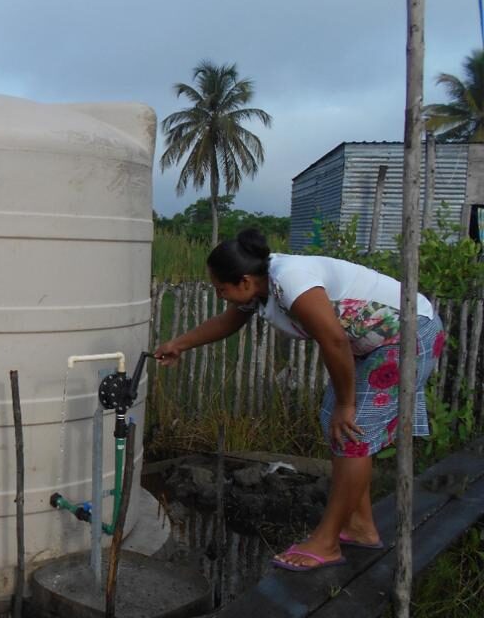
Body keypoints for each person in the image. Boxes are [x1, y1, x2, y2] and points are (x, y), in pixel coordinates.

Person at [154, 228, 445, 572]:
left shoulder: (291, 282)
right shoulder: (259, 289)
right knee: (336, 426)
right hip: (371, 344)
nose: (222, 297)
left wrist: (346, 404)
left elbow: (334, 341)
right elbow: (227, 322)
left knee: (353, 431)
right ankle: (360, 526)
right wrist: (179, 344)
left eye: (222, 289)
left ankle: (327, 542)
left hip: (408, 334)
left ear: (245, 280)